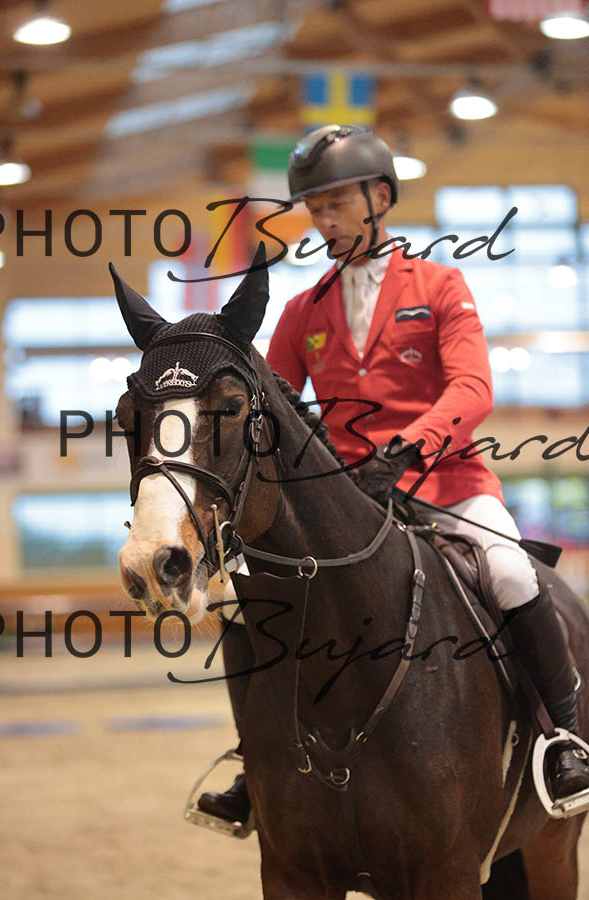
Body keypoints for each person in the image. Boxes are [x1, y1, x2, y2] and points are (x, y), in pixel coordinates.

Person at [198, 124, 589, 825]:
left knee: (511, 573)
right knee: (242, 601)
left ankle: (563, 738)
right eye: (315, 208)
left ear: (380, 198)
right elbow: (274, 407)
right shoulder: (303, 310)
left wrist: (410, 448)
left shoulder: (440, 285)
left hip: (447, 485)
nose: (324, 220)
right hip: (346, 503)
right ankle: (255, 761)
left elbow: (472, 388)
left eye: (337, 203)